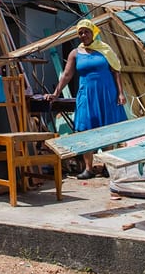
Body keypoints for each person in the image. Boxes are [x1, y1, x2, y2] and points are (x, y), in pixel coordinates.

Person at [46, 19, 127, 179]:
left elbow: (116, 71)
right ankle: (89, 169)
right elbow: (67, 75)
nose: (83, 35)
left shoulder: (105, 50)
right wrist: (56, 92)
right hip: (86, 95)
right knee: (86, 129)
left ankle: (107, 166)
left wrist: (120, 93)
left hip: (106, 94)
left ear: (93, 32)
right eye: (80, 33)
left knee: (108, 129)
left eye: (86, 32)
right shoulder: (75, 53)